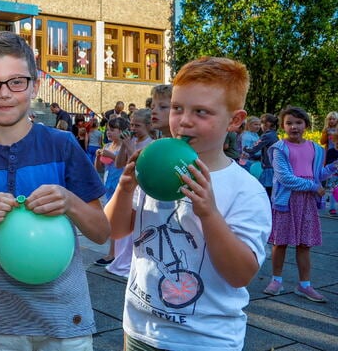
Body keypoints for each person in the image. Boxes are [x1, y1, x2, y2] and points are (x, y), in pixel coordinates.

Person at [0, 31, 109, 350]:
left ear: (34, 85)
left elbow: (101, 232)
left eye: (16, 81)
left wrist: (69, 202)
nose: (5, 94)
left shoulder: (62, 146)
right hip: (2, 326)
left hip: (67, 324)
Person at [104, 57, 272, 350]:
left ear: (234, 120)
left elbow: (241, 273)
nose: (184, 120)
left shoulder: (246, 191)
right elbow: (113, 231)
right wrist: (125, 187)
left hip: (206, 339)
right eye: (177, 108)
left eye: (202, 112)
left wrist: (208, 213)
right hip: (140, 329)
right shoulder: (153, 167)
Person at [263, 106, 338, 303]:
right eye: (289, 123)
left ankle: (304, 285)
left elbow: (317, 174)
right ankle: (276, 280)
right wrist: (313, 186)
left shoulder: (315, 149)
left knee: (305, 244)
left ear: (306, 124)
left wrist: (332, 167)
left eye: (298, 122)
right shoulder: (279, 148)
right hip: (285, 201)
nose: (294, 127)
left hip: (307, 203)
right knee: (280, 242)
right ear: (283, 126)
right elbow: (285, 178)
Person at [105, 109, 153, 278]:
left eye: (137, 125)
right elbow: (119, 164)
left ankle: (130, 262)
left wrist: (130, 146)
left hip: (141, 190)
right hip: (128, 190)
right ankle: (120, 259)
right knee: (122, 229)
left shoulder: (150, 144)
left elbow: (141, 166)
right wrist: (125, 146)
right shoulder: (130, 141)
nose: (133, 128)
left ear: (148, 126)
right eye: (131, 124)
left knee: (134, 230)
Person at [93, 116, 130, 267]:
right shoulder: (108, 146)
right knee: (110, 219)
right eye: (108, 129)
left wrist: (112, 156)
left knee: (114, 220)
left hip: (119, 186)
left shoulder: (125, 147)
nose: (109, 132)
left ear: (121, 131)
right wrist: (98, 158)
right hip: (108, 186)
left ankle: (112, 254)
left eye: (112, 130)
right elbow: (99, 169)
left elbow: (125, 164)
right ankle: (114, 252)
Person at [242, 113, 279, 197]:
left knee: (266, 191)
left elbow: (253, 149)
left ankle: (267, 208)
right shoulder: (274, 134)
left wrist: (245, 148)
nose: (260, 127)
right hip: (273, 165)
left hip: (268, 167)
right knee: (271, 191)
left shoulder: (266, 136)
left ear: (266, 124)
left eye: (261, 124)